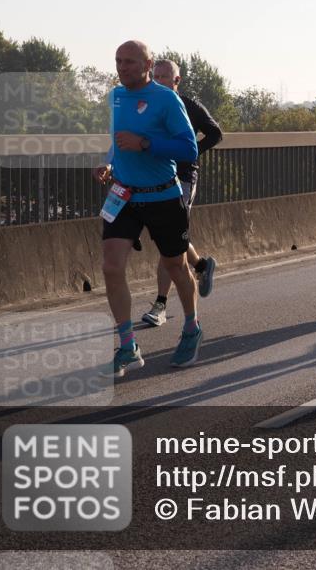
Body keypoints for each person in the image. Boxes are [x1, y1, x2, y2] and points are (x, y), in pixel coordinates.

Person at [94, 40, 200, 377]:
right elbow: (116, 139)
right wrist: (109, 163)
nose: (122, 67)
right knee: (112, 267)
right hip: (124, 196)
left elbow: (189, 148)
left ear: (148, 64)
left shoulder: (166, 99)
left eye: (129, 61)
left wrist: (146, 144)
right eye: (117, 61)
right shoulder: (115, 96)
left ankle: (191, 326)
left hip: (163, 196)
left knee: (175, 266)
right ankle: (128, 346)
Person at [140, 59, 224, 327]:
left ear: (177, 81)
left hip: (183, 177)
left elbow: (215, 133)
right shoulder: (145, 104)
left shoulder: (189, 106)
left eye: (166, 77)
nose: (160, 80)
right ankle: (200, 266)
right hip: (154, 176)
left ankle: (160, 305)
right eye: (157, 75)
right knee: (169, 236)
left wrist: (190, 152)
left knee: (168, 240)